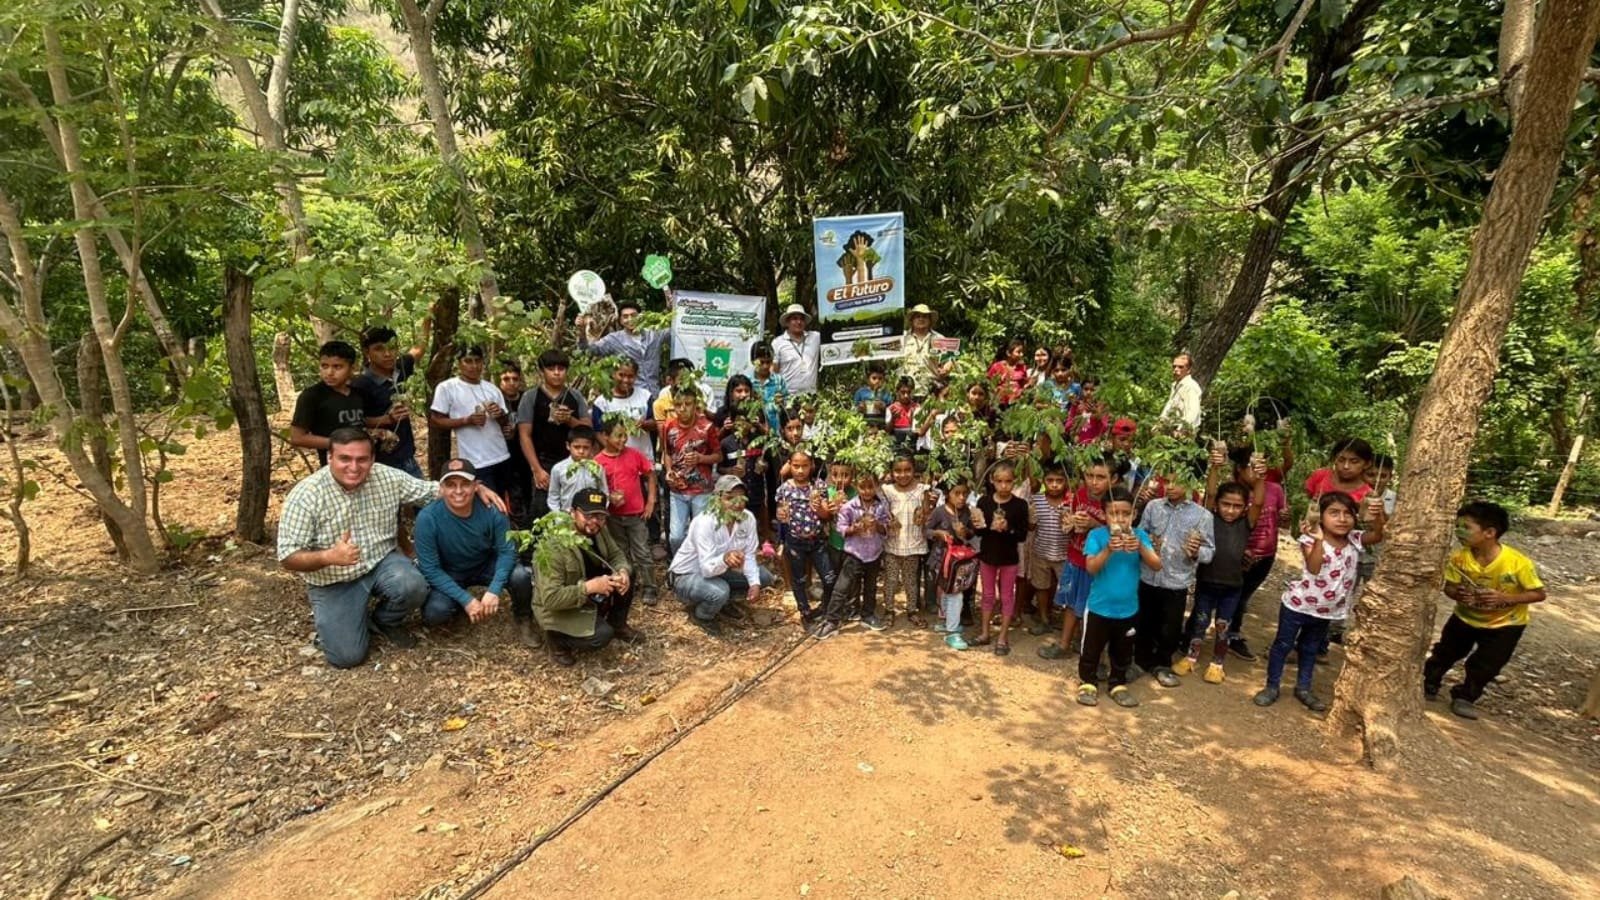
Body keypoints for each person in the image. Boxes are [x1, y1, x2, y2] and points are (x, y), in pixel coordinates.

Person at [277, 428, 504, 668]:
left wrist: (475, 488)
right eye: (345, 458)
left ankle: (385, 620)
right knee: (347, 657)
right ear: (330, 458)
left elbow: (435, 491)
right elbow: (288, 557)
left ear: (372, 459)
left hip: (381, 563)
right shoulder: (306, 495)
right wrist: (328, 556)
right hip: (333, 579)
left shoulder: (387, 477)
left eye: (362, 459)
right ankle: (347, 619)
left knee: (414, 585)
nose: (354, 466)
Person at [1253, 492, 1386, 712]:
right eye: (1334, 513)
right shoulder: (1310, 539)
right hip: (1298, 605)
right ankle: (1271, 686)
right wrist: (1318, 540)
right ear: (1322, 517)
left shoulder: (1354, 539)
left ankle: (1303, 688)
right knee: (1283, 646)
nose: (1342, 519)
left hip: (1326, 611)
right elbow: (1314, 568)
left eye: (1347, 514)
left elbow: (1378, 535)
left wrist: (1378, 514)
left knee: (1310, 648)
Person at [1423, 501, 1546, 720]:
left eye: (1466, 527)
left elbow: (1538, 594)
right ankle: (1429, 682)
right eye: (1457, 525)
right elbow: (1449, 587)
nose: (1459, 531)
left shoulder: (1517, 563)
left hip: (1505, 624)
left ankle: (1466, 696)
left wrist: (1506, 598)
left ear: (1490, 532)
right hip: (1465, 617)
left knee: (1488, 664)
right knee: (1446, 652)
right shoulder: (1459, 558)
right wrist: (1457, 593)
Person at [413, 458, 533, 642]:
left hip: (484, 563)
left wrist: (494, 590)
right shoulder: (427, 518)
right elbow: (430, 568)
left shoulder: (492, 509)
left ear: (476, 485)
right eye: (451, 485)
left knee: (521, 576)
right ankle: (459, 605)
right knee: (435, 612)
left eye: (465, 484)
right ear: (442, 488)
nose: (459, 491)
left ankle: (524, 617)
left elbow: (507, 551)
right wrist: (465, 599)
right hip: (450, 571)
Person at [533, 489, 640, 667]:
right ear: (572, 513)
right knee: (601, 636)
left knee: (630, 573)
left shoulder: (598, 530)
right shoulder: (553, 546)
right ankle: (557, 641)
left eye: (600, 516)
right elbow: (551, 599)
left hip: (591, 592)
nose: (594, 522)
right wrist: (589, 588)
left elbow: (616, 555)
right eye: (588, 515)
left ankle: (618, 624)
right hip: (561, 607)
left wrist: (622, 571)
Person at [1077, 487, 1161, 708]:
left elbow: (1156, 564)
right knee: (1092, 649)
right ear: (1105, 515)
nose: (1120, 519)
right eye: (1114, 513)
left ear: (1134, 515)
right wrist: (1108, 550)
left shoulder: (1140, 536)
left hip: (1128, 609)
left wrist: (1140, 547)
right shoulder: (1096, 536)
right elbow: (1091, 568)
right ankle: (1088, 682)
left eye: (1125, 514)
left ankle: (1117, 683)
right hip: (1098, 608)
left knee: (1122, 649)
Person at [1173, 463, 1256, 683]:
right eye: (1225, 504)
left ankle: (1217, 664)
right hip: (1207, 582)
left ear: (1245, 508)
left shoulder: (1246, 523)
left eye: (1236, 506)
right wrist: (1215, 468)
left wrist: (1260, 478)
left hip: (1232, 586)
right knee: (1200, 621)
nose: (1230, 510)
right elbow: (1210, 493)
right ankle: (1191, 658)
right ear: (1217, 505)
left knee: (1223, 625)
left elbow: (1258, 501)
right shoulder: (1209, 518)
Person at [1135, 474, 1215, 687]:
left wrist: (1196, 552)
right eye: (1167, 481)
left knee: (1169, 627)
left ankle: (1162, 664)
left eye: (1176, 481)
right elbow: (1140, 532)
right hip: (1148, 577)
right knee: (1144, 622)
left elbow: (1210, 551)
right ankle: (1140, 662)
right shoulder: (1153, 506)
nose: (1169, 486)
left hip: (1176, 581)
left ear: (1189, 481)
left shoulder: (1202, 515)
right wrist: (1147, 540)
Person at [669, 475, 776, 635]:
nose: (736, 503)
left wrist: (754, 584)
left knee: (763, 577)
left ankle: (723, 602)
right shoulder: (705, 522)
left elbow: (749, 554)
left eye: (741, 498)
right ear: (717, 498)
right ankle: (702, 615)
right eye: (729, 498)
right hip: (687, 574)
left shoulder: (748, 518)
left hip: (719, 570)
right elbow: (706, 569)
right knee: (719, 591)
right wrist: (725, 559)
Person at [1041, 457, 1112, 660]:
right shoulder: (1078, 495)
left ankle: (1089, 651)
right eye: (1089, 476)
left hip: (1098, 565)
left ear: (1112, 479)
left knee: (1094, 609)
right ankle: (1064, 644)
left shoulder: (1113, 503)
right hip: (1075, 557)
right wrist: (1070, 522)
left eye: (1100, 477)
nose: (1094, 482)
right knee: (1071, 604)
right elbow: (1067, 526)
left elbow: (1117, 533)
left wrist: (1093, 524)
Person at [1224, 447, 1287, 661]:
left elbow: (1281, 519)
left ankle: (1232, 633)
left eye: (1261, 464)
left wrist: (1287, 516)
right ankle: (1211, 631)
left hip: (1266, 554)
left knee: (1244, 595)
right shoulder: (1232, 493)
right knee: (1232, 593)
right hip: (1239, 554)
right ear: (1240, 469)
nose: (1257, 470)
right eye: (1251, 466)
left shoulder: (1276, 490)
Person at [811, 469, 892, 639]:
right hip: (854, 553)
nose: (867, 491)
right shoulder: (849, 507)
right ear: (857, 487)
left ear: (876, 487)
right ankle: (832, 620)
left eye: (871, 487)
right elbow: (840, 528)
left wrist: (877, 525)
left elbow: (886, 528)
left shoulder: (880, 507)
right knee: (841, 588)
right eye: (863, 487)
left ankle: (868, 614)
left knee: (870, 587)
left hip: (874, 553)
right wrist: (852, 529)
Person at [517, 349, 590, 520]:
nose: (557, 373)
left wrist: (569, 420)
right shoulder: (531, 397)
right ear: (542, 371)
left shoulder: (575, 396)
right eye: (551, 369)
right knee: (542, 511)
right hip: (543, 461)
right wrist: (536, 469)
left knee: (574, 506)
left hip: (573, 460)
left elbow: (587, 429)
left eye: (561, 368)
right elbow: (524, 435)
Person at [429, 345, 512, 493]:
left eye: (477, 361)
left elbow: (505, 423)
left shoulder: (492, 388)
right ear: (459, 363)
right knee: (485, 503)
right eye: (468, 361)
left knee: (504, 500)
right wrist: (467, 421)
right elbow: (436, 420)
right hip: (475, 460)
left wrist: (499, 414)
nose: (474, 366)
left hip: (501, 455)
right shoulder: (447, 388)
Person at [595, 418, 659, 606]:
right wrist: (607, 501)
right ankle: (629, 581)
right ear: (605, 436)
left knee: (642, 551)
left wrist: (651, 501)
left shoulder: (635, 455)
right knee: (621, 551)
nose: (623, 440)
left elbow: (650, 475)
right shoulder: (598, 461)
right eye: (618, 436)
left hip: (636, 514)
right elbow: (597, 488)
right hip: (613, 516)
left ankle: (650, 586)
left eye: (625, 435)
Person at [970, 460, 1030, 655]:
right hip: (987, 555)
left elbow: (1021, 535)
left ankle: (1003, 636)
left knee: (1006, 596)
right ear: (992, 481)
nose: (1004, 486)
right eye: (1000, 481)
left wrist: (1008, 529)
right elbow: (978, 533)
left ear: (1014, 482)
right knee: (987, 595)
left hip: (1009, 558)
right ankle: (985, 632)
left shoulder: (1020, 505)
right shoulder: (984, 502)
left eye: (1008, 481)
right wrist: (977, 525)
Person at [775, 449, 835, 624]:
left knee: (829, 577)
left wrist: (818, 507)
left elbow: (826, 516)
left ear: (812, 466)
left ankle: (825, 606)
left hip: (817, 541)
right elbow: (781, 513)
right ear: (790, 466)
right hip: (795, 541)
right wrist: (781, 516)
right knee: (798, 579)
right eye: (796, 466)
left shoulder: (819, 486)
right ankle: (805, 611)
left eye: (805, 466)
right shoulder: (784, 489)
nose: (800, 471)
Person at [354, 326, 423, 475]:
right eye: (379, 349)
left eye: (392, 348)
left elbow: (419, 349)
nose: (387, 354)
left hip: (408, 458)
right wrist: (388, 419)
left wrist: (428, 316)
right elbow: (357, 422)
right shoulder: (360, 385)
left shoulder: (401, 369)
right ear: (367, 352)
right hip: (379, 464)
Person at [662, 386, 721, 554]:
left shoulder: (707, 427)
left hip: (701, 490)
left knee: (702, 535)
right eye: (678, 404)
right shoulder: (669, 426)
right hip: (677, 490)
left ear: (696, 405)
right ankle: (679, 569)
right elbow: (668, 452)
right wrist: (668, 471)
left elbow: (718, 455)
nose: (683, 408)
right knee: (675, 537)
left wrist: (700, 459)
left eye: (688, 403)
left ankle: (700, 567)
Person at [290, 340, 369, 466]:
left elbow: (364, 421)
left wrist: (388, 419)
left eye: (337, 367)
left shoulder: (358, 394)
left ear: (352, 368)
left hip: (363, 462)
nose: (329, 373)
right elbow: (297, 437)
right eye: (324, 366)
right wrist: (338, 444)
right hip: (333, 466)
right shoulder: (312, 396)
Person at [576, 297, 670, 393]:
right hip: (630, 395)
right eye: (625, 316)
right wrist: (581, 332)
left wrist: (673, 308)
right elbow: (590, 351)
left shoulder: (654, 335)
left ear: (640, 317)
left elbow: (676, 331)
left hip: (654, 394)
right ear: (620, 320)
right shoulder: (614, 339)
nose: (630, 319)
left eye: (633, 315)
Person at [925, 480, 977, 650]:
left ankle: (947, 622)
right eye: (957, 493)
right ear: (948, 494)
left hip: (958, 563)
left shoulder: (967, 513)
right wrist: (939, 533)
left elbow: (971, 534)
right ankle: (952, 632)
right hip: (941, 560)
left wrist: (965, 532)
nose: (961, 497)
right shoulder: (939, 512)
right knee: (951, 593)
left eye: (965, 493)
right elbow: (926, 530)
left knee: (954, 592)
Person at [882, 456, 932, 628]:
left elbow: (926, 513)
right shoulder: (887, 490)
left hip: (913, 544)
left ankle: (912, 610)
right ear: (891, 472)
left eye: (907, 470)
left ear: (914, 470)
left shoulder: (921, 489)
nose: (902, 474)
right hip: (892, 545)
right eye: (898, 470)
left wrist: (925, 510)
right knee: (891, 580)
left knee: (911, 581)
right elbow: (881, 506)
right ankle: (889, 610)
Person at [1025, 465, 1071, 637]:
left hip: (1065, 555)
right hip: (1041, 552)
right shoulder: (1036, 500)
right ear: (1044, 481)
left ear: (1065, 483)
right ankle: (1044, 619)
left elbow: (1074, 530)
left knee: (1067, 590)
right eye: (1050, 481)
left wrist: (1070, 522)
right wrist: (1031, 519)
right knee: (1041, 587)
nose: (1054, 485)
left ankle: (1068, 627)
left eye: (1059, 481)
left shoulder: (1071, 501)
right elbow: (1031, 527)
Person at [496, 359, 534, 527]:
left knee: (527, 492)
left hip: (525, 456)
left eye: (515, 379)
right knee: (509, 494)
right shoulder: (495, 400)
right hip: (502, 456)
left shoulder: (528, 399)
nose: (511, 383)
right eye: (506, 379)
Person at [548, 425, 608, 513]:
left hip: (591, 517)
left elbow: (604, 493)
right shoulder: (558, 469)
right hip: (567, 515)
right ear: (568, 446)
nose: (581, 451)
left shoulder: (598, 468)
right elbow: (553, 496)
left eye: (586, 447)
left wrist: (598, 514)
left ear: (592, 447)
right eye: (576, 447)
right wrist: (559, 517)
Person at [901, 303, 951, 395]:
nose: (921, 319)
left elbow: (950, 360)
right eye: (917, 316)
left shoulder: (939, 338)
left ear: (930, 320)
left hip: (932, 389)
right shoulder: (902, 338)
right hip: (905, 391)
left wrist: (946, 369)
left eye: (925, 316)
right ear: (912, 320)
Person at [771, 304, 822, 395]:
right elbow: (774, 371)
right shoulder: (777, 343)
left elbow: (833, 336)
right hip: (788, 397)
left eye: (801, 319)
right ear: (787, 322)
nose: (799, 322)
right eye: (794, 318)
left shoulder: (815, 337)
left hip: (811, 396)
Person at [1304, 438, 1374, 502]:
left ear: (1367, 464)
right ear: (1334, 459)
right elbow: (1301, 501)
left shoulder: (1367, 494)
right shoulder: (1320, 476)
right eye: (1341, 460)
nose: (1346, 466)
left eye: (1354, 462)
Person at [1158, 353, 1202, 433]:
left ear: (1189, 370)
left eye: (1181, 367)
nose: (1176, 369)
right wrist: (1160, 423)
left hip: (1183, 431)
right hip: (1171, 428)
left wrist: (1181, 430)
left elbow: (1193, 411)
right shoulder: (1176, 385)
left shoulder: (1190, 386)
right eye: (1174, 366)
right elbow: (1170, 405)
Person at [987, 338, 1029, 406]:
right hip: (999, 404)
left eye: (1022, 352)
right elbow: (989, 385)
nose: (1021, 355)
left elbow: (1023, 385)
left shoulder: (1022, 368)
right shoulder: (996, 366)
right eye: (1018, 352)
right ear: (1008, 353)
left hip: (1016, 404)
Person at [853, 361, 893, 427]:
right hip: (865, 425)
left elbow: (890, 411)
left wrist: (883, 407)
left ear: (883, 380)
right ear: (867, 379)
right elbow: (854, 409)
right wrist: (860, 407)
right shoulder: (861, 392)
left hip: (881, 425)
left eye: (880, 378)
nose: (877, 381)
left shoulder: (886, 393)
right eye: (874, 378)